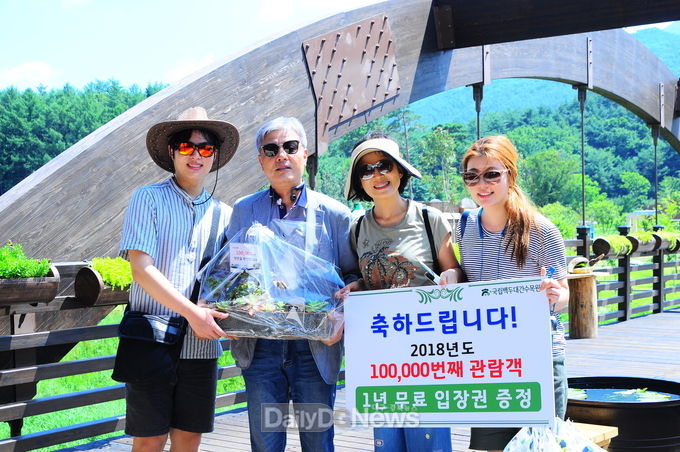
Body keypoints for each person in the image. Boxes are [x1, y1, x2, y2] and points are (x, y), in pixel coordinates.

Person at [224, 116, 360, 452]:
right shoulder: (244, 211)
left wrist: (350, 295)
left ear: (305, 155)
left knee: (317, 442)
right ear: (261, 160)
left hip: (314, 348)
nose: (281, 155)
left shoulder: (334, 213)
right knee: (266, 443)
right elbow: (232, 273)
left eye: (290, 147)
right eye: (271, 149)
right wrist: (235, 300)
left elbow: (351, 274)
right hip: (261, 348)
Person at [118, 107, 239, 452]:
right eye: (186, 147)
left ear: (214, 156)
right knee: (149, 439)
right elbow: (141, 268)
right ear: (171, 152)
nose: (196, 155)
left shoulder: (225, 214)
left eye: (205, 148)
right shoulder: (148, 199)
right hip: (151, 338)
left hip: (200, 344)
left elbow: (229, 281)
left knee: (188, 439)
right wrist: (191, 313)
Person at [339, 133, 464, 452]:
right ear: (360, 182)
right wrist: (355, 287)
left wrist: (451, 274)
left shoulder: (428, 218)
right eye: (366, 170)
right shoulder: (357, 227)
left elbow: (454, 271)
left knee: (430, 441)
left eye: (384, 165)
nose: (377, 175)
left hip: (427, 351)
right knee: (388, 442)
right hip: (381, 355)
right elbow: (370, 280)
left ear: (400, 172)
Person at [455, 135, 569, 452]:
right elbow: (472, 281)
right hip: (489, 359)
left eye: (492, 173)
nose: (482, 183)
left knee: (540, 448)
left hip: (539, 358)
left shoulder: (541, 229)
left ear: (510, 174)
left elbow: (564, 297)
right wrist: (454, 274)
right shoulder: (464, 226)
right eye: (472, 175)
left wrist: (553, 294)